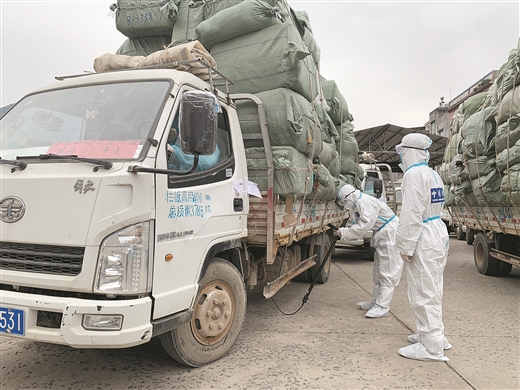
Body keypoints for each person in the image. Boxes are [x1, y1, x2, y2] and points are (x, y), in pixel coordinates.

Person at [394, 133, 451, 362]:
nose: (400, 156)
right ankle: (434, 334)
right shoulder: (432, 173)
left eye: (401, 152)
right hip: (437, 231)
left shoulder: (414, 174)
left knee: (422, 290)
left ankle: (431, 346)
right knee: (433, 287)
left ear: (409, 151)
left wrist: (405, 246)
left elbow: (411, 214)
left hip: (423, 236)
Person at [335, 184, 403, 318]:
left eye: (344, 201)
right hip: (382, 234)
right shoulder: (357, 204)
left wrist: (343, 232)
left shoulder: (364, 202)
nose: (344, 204)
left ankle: (382, 306)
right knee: (378, 270)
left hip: (390, 234)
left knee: (388, 270)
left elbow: (363, 227)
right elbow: (358, 223)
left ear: (350, 196)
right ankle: (375, 302)